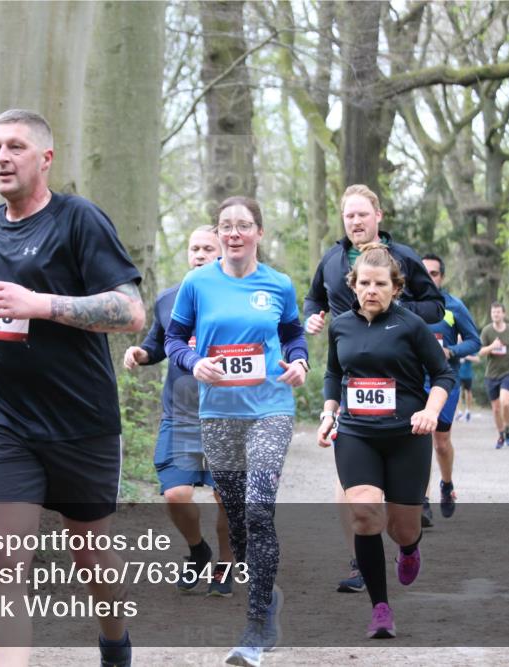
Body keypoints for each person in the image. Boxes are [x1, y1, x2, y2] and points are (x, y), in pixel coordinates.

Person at [0, 109, 145, 667]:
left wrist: (40, 305)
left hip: (82, 421)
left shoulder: (80, 221)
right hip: (6, 418)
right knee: (5, 558)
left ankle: (114, 641)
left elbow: (130, 313)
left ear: (45, 158)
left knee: (92, 554)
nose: (1, 157)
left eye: (15, 146)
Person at [165, 196, 308, 667]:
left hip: (270, 407)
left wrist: (301, 361)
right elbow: (172, 339)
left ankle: (254, 628)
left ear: (258, 233)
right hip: (218, 413)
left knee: (259, 505)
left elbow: (292, 335)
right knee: (239, 516)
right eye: (226, 225)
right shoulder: (197, 283)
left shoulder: (279, 284)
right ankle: (266, 597)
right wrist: (193, 361)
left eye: (243, 225)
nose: (233, 233)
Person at [302, 184, 445, 593]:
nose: (356, 222)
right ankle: (359, 559)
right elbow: (314, 300)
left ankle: (406, 533)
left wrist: (386, 308)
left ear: (378, 216)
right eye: (349, 216)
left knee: (402, 519)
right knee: (355, 491)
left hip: (399, 380)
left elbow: (436, 306)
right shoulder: (331, 260)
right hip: (352, 384)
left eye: (363, 215)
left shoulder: (402, 259)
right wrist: (315, 317)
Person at [317, 242, 455, 639]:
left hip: (407, 436)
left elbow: (443, 375)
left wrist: (431, 410)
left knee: (402, 528)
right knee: (365, 515)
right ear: (354, 285)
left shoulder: (411, 325)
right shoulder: (341, 325)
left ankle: (409, 550)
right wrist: (329, 413)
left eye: (380, 283)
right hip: (357, 434)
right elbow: (332, 374)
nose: (371, 290)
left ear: (396, 287)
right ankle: (380, 608)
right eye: (364, 283)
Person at [122, 226, 233, 596]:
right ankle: (197, 549)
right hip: (181, 413)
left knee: (227, 497)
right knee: (175, 493)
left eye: (207, 249)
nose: (199, 254)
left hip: (229, 414)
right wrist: (141, 353)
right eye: (194, 248)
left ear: (222, 254)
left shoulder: (238, 297)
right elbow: (157, 343)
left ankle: (225, 565)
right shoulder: (170, 299)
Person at [419, 254, 481, 523]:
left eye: (434, 273)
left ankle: (446, 485)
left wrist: (451, 350)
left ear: (441, 277)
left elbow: (474, 342)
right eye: (424, 272)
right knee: (417, 440)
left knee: (440, 443)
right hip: (412, 381)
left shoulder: (453, 306)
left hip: (444, 381)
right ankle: (421, 501)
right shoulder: (404, 304)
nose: (429, 277)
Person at [478, 302, 509, 449]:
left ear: (503, 314)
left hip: (508, 371)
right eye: (493, 312)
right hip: (491, 374)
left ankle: (507, 428)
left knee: (505, 402)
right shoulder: (487, 331)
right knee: (495, 409)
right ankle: (501, 434)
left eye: (498, 312)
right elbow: (480, 352)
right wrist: (492, 347)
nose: (496, 314)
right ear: (491, 314)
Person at [456, 354, 479, 422]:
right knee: (457, 392)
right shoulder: (455, 345)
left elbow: (477, 359)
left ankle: (468, 411)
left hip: (467, 375)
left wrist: (466, 357)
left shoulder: (469, 346)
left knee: (468, 392)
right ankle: (459, 412)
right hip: (457, 373)